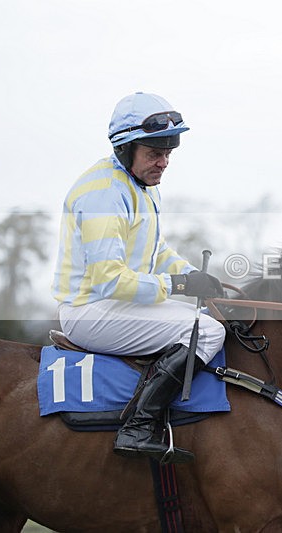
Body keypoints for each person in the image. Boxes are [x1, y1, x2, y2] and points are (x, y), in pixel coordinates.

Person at [51, 92, 226, 463]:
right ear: (126, 148)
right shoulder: (103, 193)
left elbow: (156, 253)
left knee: (211, 322)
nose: (163, 162)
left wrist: (192, 274)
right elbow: (111, 281)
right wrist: (179, 286)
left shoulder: (142, 187)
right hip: (92, 310)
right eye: (154, 154)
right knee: (208, 331)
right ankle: (138, 426)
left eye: (168, 153)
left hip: (116, 306)